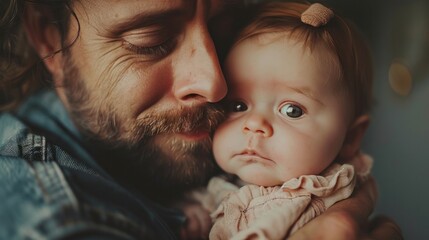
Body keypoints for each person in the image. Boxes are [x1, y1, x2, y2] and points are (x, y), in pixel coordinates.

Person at [0, 0, 402, 239]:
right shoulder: (55, 221)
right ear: (49, 38)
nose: (214, 84)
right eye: (152, 41)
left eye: (224, 31)